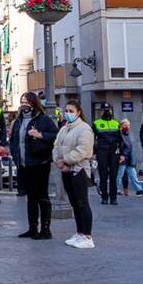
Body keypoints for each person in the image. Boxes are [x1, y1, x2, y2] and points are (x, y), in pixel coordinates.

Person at [10, 92, 58, 239]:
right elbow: (14, 140)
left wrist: (40, 135)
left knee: (42, 196)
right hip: (24, 164)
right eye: (22, 101)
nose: (24, 104)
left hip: (40, 163)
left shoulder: (43, 120)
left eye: (27, 102)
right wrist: (14, 154)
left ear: (33, 103)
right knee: (30, 198)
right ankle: (32, 228)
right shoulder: (18, 121)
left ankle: (45, 229)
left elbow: (55, 135)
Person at [53, 100, 95, 249]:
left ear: (78, 112)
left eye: (71, 111)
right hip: (66, 170)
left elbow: (83, 150)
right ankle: (79, 233)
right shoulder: (64, 129)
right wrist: (58, 160)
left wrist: (66, 160)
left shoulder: (84, 129)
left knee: (82, 202)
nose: (68, 113)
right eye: (66, 110)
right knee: (74, 203)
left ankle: (87, 235)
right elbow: (56, 145)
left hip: (79, 170)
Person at [92, 104, 123, 206]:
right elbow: (92, 139)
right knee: (103, 176)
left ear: (111, 111)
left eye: (108, 110)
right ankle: (104, 198)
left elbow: (120, 140)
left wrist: (122, 154)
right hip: (102, 151)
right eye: (105, 110)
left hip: (114, 152)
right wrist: (93, 153)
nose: (107, 111)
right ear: (101, 111)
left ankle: (113, 198)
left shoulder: (116, 123)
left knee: (113, 176)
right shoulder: (96, 123)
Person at [115, 119, 143, 196]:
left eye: (129, 125)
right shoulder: (119, 134)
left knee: (133, 175)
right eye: (125, 125)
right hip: (122, 157)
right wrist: (121, 156)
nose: (128, 127)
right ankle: (116, 189)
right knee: (119, 175)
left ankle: (139, 189)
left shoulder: (126, 134)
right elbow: (120, 146)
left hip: (128, 158)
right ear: (121, 126)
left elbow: (129, 147)